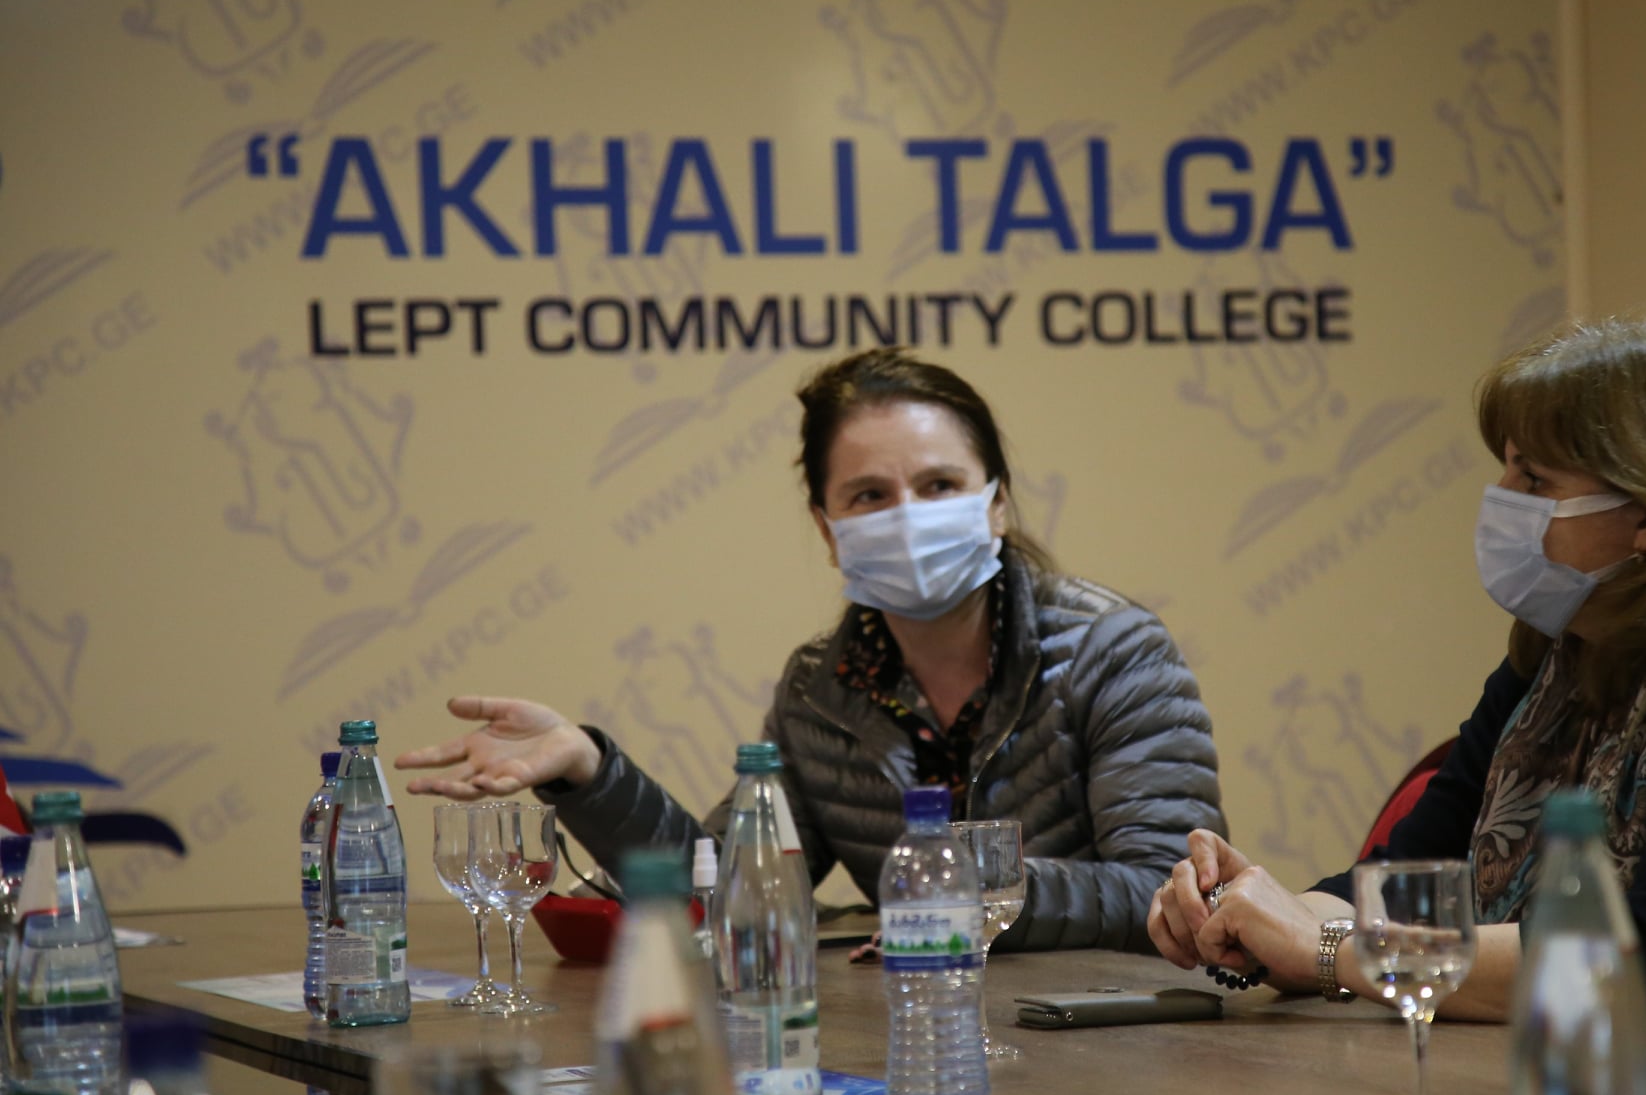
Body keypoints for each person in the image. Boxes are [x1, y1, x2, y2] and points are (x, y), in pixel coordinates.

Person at [1151, 316, 1646, 1073]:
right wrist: (1251, 912)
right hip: (1640, 1092)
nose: (1499, 498)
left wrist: (1327, 950)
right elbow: (1406, 886)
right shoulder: (1565, 652)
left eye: (1533, 477)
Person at [399, 348, 1226, 953]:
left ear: (997, 504)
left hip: (1108, 1039)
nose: (907, 515)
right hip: (917, 1029)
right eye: (870, 495)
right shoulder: (820, 686)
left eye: (939, 486)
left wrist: (960, 885)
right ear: (828, 531)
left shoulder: (1113, 650)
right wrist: (588, 770)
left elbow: (1170, 889)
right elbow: (732, 884)